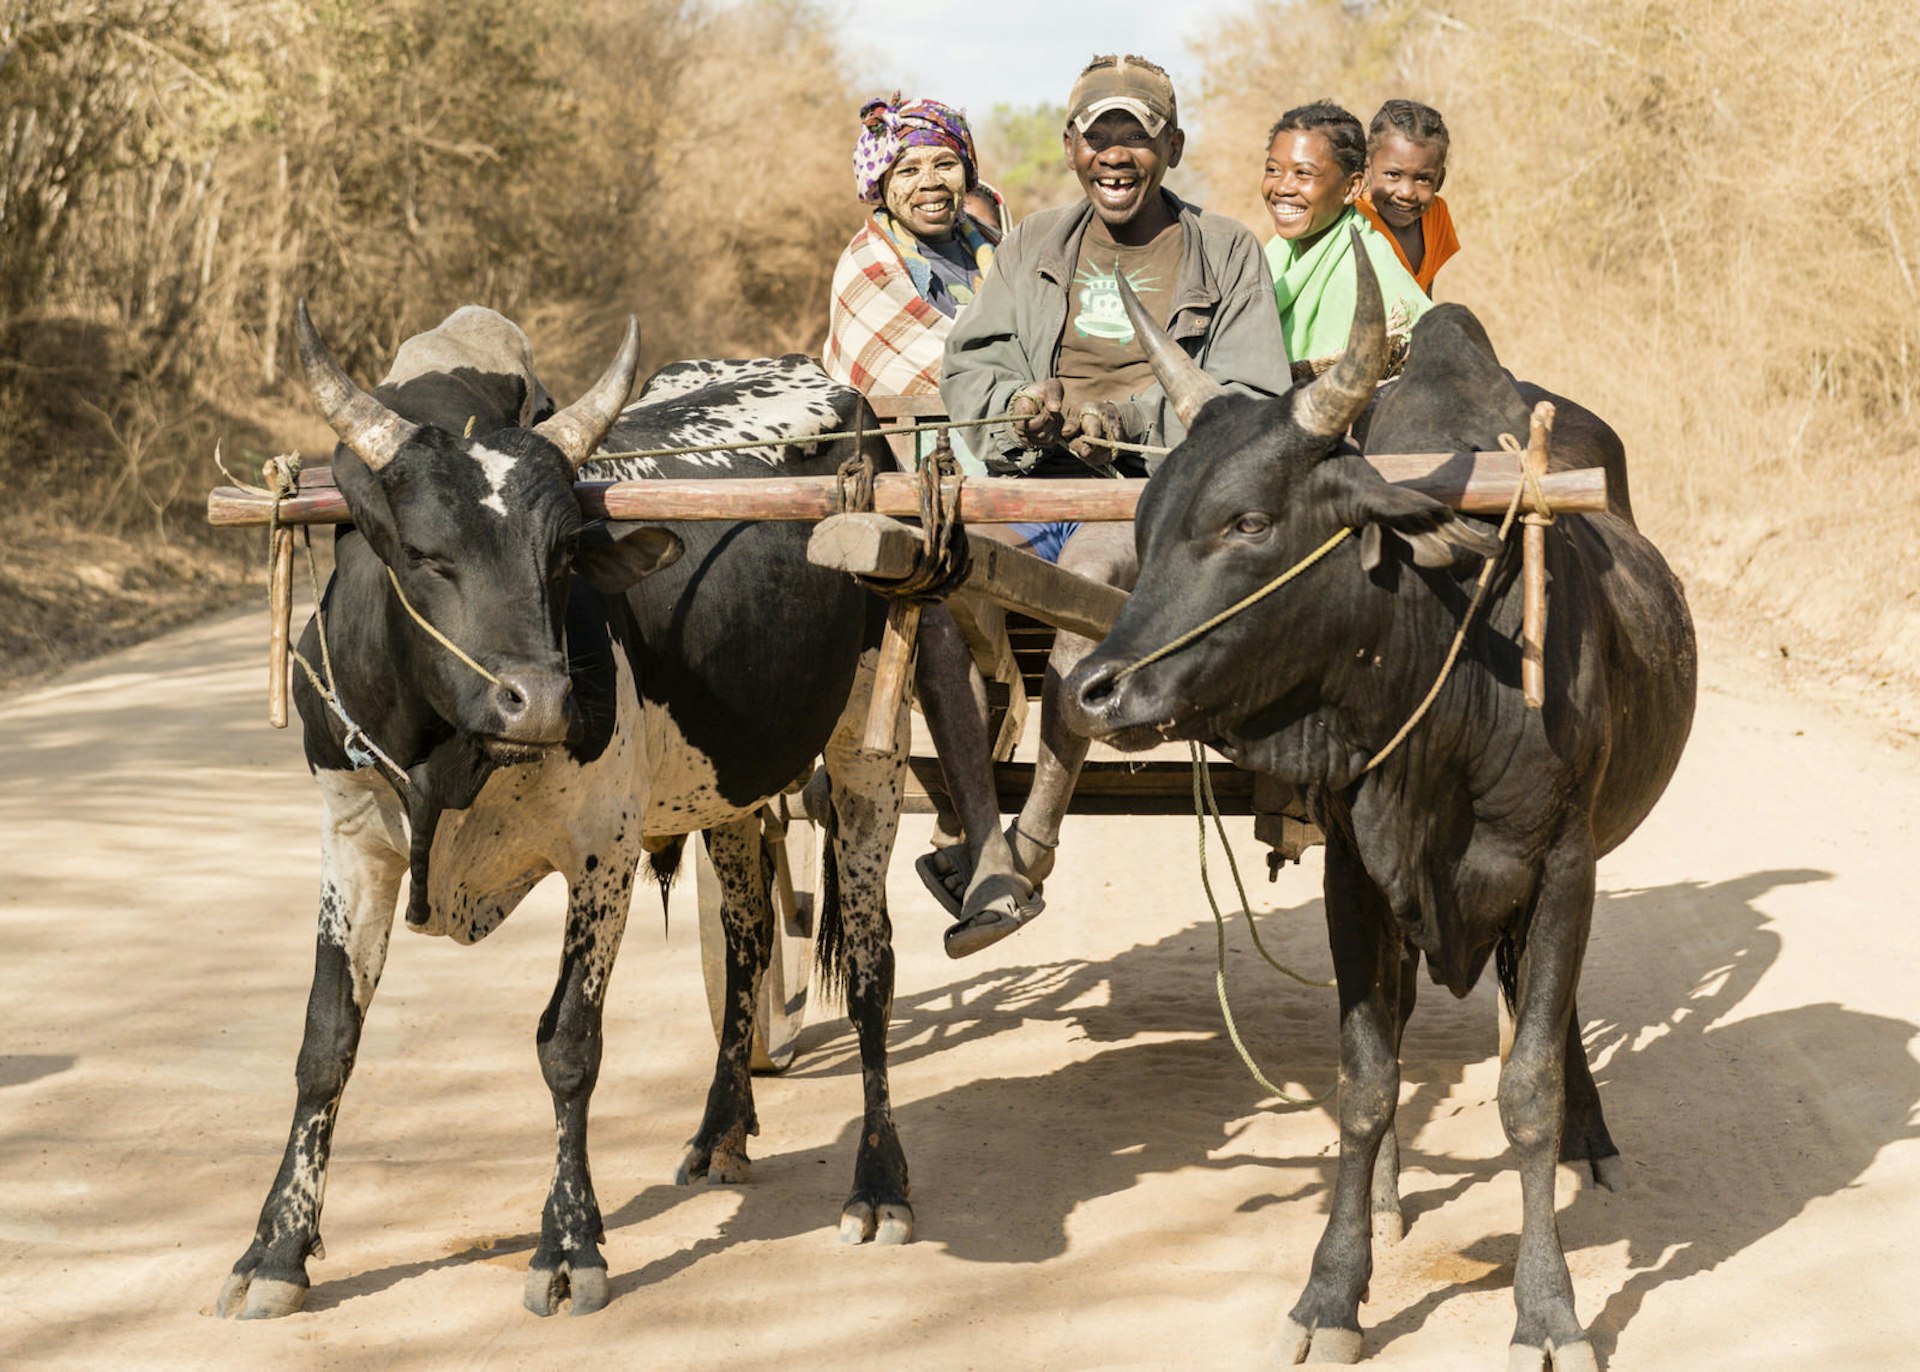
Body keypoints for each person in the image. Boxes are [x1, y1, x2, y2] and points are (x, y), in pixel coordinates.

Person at [924, 53, 1291, 957]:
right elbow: (969, 362)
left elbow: (1246, 396)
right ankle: (980, 844)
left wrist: (1121, 417)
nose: (1116, 156)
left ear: (1170, 145)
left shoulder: (1227, 250)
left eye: (1136, 137)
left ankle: (1032, 846)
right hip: (1023, 479)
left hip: (1153, 496)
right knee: (933, 584)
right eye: (1099, 137)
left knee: (1088, 577)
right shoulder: (1033, 244)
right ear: (1071, 146)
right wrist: (1020, 406)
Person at [823, 93, 999, 473]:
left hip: (1011, 444)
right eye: (908, 170)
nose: (930, 183)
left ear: (966, 174)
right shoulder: (868, 267)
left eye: (945, 164)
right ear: (882, 183)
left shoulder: (1001, 253)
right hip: (904, 465)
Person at [1262, 100, 1432, 384]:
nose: (1282, 187)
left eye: (1303, 173)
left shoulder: (1370, 270)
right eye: (1273, 170)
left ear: (1352, 187)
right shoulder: (1271, 256)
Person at [1356, 99, 1459, 296]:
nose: (1406, 193)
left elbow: (1423, 297)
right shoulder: (1354, 221)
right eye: (1393, 175)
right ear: (1367, 169)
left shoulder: (1436, 216)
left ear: (1440, 180)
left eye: (1423, 179)